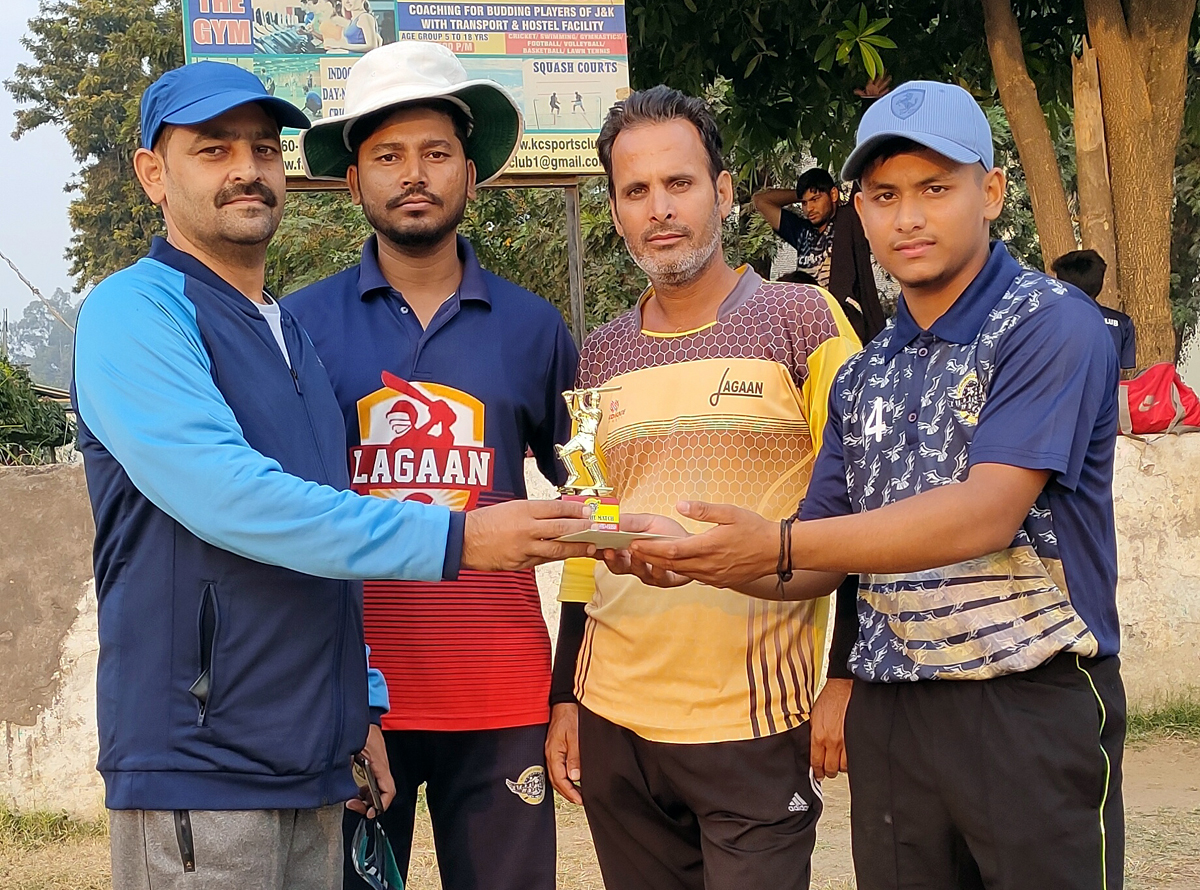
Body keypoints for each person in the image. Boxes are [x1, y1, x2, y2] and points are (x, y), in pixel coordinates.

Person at [71, 60, 592, 890]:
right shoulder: (137, 311)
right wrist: (460, 538)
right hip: (201, 759)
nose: (246, 168)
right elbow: (231, 497)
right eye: (212, 149)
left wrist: (358, 702)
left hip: (321, 752)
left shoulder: (289, 338)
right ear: (151, 174)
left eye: (262, 148)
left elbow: (328, 539)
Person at [625, 81, 1125, 890]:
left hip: (1029, 701)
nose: (910, 217)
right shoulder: (863, 373)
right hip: (893, 712)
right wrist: (702, 556)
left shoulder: (1048, 323)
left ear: (991, 192)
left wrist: (778, 543)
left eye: (936, 188)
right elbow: (823, 559)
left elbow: (985, 514)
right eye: (885, 195)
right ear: (858, 211)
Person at [543, 85, 862, 890]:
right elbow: (588, 536)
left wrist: (848, 674)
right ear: (615, 212)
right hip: (615, 720)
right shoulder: (599, 355)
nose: (659, 209)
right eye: (635, 191)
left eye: (679, 183)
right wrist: (566, 697)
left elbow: (870, 510)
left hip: (754, 723)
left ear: (722, 192)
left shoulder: (805, 321)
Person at [289, 42, 577, 890]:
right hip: (355, 700)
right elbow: (287, 518)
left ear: (472, 171)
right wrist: (335, 698)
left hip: (501, 701)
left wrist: (571, 690)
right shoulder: (300, 330)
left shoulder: (534, 330)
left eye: (436, 152)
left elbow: (589, 505)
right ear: (354, 183)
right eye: (387, 156)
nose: (413, 174)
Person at [753, 167, 885, 342]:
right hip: (807, 325)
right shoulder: (801, 232)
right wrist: (802, 192)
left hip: (845, 325)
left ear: (833, 195)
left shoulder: (849, 219)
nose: (809, 208)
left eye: (815, 199)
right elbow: (761, 200)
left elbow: (864, 178)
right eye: (805, 203)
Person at [1054, 248, 1136, 377]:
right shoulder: (1122, 323)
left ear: (1063, 285)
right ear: (1100, 282)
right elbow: (1121, 374)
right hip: (1107, 396)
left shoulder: (1048, 320)